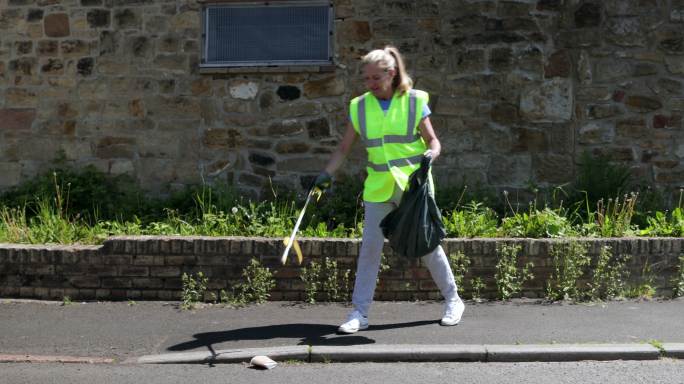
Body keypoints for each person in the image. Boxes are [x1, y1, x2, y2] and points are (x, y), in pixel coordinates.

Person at [314, 46, 465, 334]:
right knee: (370, 249)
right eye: (366, 78)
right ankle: (359, 313)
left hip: (413, 187)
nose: (370, 84)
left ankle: (453, 301)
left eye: (376, 78)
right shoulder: (360, 106)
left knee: (428, 246)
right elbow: (344, 148)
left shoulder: (413, 101)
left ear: (391, 73)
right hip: (378, 187)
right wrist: (325, 175)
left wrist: (430, 156)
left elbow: (434, 142)